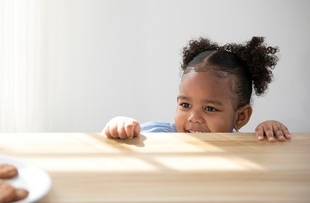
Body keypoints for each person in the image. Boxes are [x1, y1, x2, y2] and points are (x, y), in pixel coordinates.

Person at [103, 37, 291, 142]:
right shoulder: (159, 136)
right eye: (185, 104)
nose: (193, 117)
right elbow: (124, 140)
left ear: (240, 117)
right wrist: (120, 125)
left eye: (209, 108)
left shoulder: (245, 146)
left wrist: (270, 131)